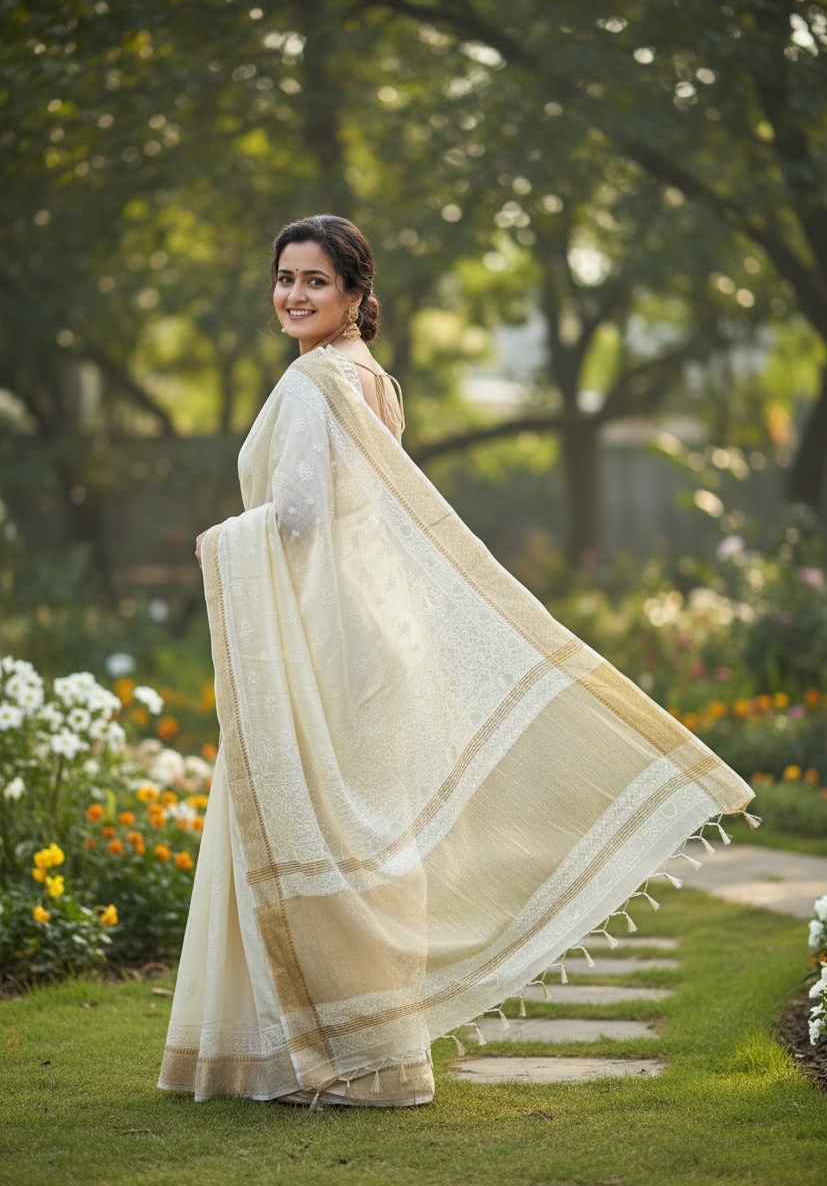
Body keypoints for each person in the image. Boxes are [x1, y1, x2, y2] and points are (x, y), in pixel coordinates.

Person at [158, 214, 755, 1109]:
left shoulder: (321, 381)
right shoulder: (375, 381)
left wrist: (217, 544)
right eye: (284, 278)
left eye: (314, 280)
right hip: (373, 630)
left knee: (328, 829)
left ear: (357, 293)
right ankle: (380, 1056)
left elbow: (299, 521)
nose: (293, 295)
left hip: (338, 641)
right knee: (376, 843)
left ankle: (350, 1061)